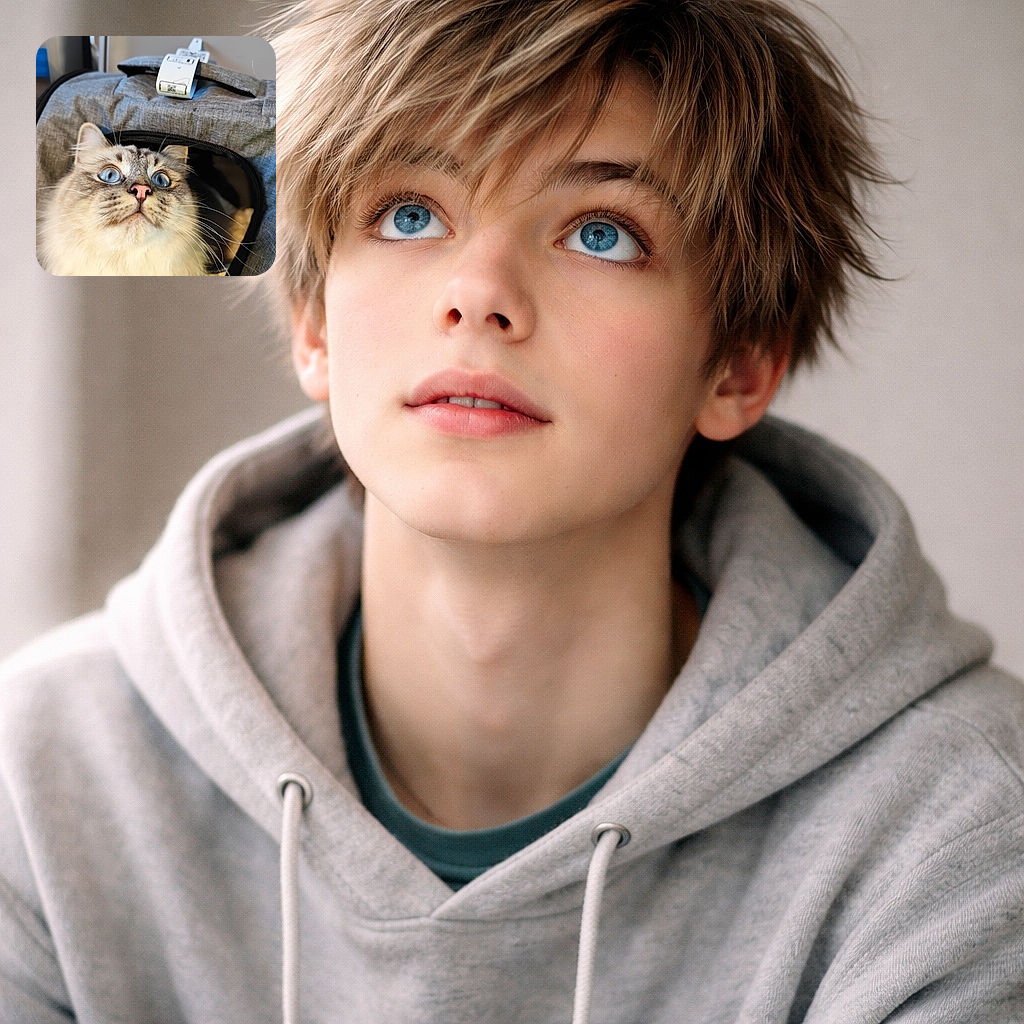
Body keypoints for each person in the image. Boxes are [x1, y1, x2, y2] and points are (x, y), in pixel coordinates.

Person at [2, 0, 1021, 1021]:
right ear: (312, 325)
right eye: (409, 213)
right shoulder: (37, 772)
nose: (478, 294)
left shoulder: (963, 819)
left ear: (740, 363)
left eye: (599, 232)